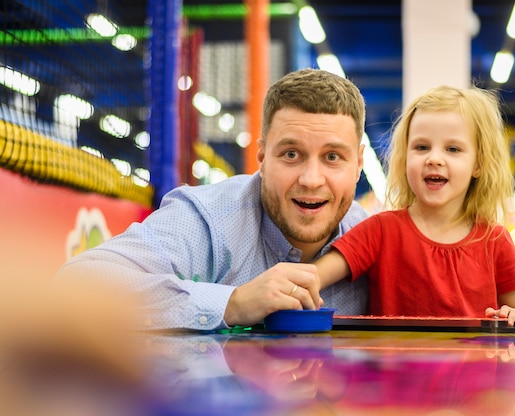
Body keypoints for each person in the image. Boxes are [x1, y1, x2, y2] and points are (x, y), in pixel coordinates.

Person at [56, 68, 369, 330]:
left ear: (358, 164)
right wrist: (232, 303)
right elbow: (75, 286)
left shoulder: (377, 240)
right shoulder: (208, 219)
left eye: (332, 156)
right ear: (261, 157)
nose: (311, 179)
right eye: (291, 154)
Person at [311, 85, 515, 327]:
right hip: (398, 365)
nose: (434, 159)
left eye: (453, 149)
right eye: (421, 147)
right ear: (405, 157)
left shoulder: (494, 241)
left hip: (476, 365)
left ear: (478, 164)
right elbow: (313, 277)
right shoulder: (380, 231)